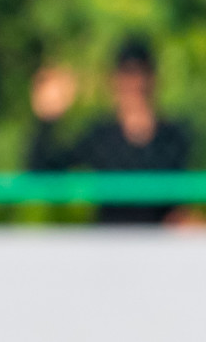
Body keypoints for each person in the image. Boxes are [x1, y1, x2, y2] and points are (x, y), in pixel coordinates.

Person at [27, 38, 193, 224]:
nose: (134, 83)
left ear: (152, 78)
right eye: (127, 74)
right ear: (115, 80)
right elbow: (43, 174)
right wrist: (46, 120)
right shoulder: (100, 136)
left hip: (159, 247)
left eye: (139, 73)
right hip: (110, 246)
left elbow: (180, 210)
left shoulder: (173, 136)